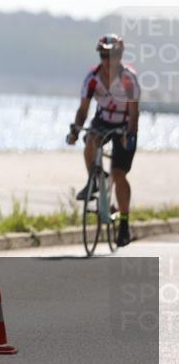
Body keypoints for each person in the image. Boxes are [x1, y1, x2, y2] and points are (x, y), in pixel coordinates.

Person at [66, 33, 140, 247]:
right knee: (90, 139)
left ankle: (124, 224)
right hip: (103, 120)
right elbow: (83, 110)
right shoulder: (92, 78)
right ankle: (94, 180)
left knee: (119, 173)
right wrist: (75, 131)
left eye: (112, 55)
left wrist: (130, 135)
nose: (108, 61)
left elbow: (135, 113)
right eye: (103, 56)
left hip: (125, 123)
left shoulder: (128, 78)